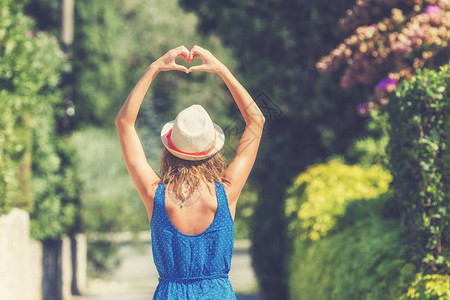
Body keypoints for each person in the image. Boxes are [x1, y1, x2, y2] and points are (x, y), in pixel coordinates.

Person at [115, 45, 265, 299]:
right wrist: (221, 69)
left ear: (170, 148)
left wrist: (154, 68)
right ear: (212, 149)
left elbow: (124, 123)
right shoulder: (226, 193)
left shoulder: (156, 196)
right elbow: (256, 121)